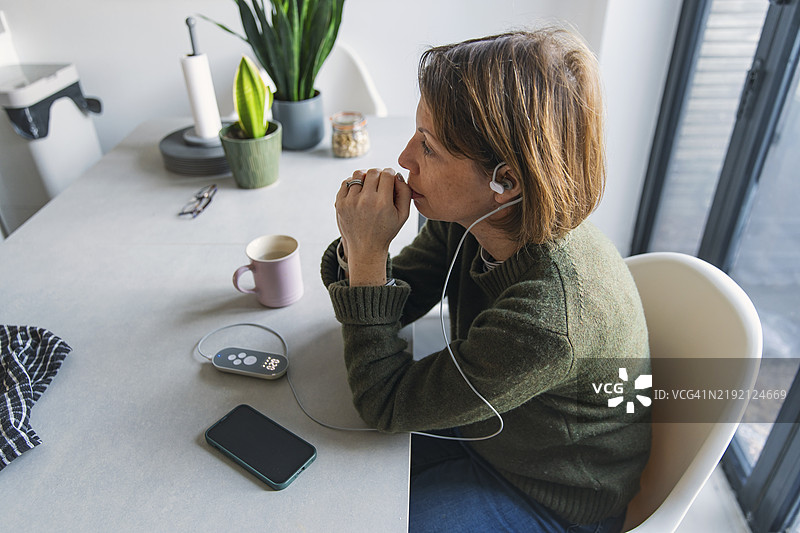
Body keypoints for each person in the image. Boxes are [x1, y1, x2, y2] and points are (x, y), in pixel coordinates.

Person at [320, 27, 650, 533]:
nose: (405, 158)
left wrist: (366, 257)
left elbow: (383, 402)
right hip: (496, 432)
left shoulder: (548, 320)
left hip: (545, 494)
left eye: (428, 148)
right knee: (327, 466)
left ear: (506, 182)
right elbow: (400, 297)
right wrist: (366, 248)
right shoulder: (477, 223)